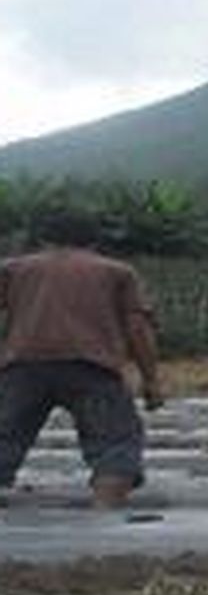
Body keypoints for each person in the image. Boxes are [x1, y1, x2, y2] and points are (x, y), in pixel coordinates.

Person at [0, 207, 164, 507]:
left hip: (23, 368)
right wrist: (151, 380)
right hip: (93, 369)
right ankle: (104, 522)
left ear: (43, 239)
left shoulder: (13, 269)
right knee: (115, 445)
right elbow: (137, 328)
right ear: (92, 241)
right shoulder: (116, 272)